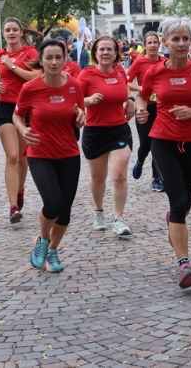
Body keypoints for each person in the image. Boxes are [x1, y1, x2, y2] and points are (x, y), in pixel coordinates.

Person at [136, 17, 191, 288]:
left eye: (185, 38)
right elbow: (143, 95)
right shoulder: (155, 71)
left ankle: (175, 221)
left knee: (185, 204)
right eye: (175, 39)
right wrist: (141, 109)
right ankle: (184, 265)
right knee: (177, 203)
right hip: (162, 141)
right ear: (164, 42)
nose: (180, 43)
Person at [14, 39, 86, 272]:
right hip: (40, 153)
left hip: (68, 153)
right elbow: (17, 115)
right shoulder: (31, 88)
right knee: (52, 203)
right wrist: (23, 129)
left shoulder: (75, 85)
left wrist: (80, 118)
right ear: (41, 61)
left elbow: (77, 115)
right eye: (49, 58)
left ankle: (53, 250)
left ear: (66, 59)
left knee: (65, 209)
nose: (54, 62)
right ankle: (43, 240)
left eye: (58, 57)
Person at [78, 36, 135, 236]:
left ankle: (119, 219)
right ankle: (99, 211)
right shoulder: (86, 75)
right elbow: (74, 100)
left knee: (119, 175)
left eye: (109, 49)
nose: (105, 53)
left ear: (115, 53)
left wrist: (129, 100)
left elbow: (124, 88)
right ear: (95, 53)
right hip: (94, 131)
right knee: (98, 177)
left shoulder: (120, 71)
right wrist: (89, 100)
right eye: (101, 49)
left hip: (119, 129)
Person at [0, 17, 40, 223]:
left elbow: (36, 76)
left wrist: (13, 66)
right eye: (7, 30)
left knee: (23, 157)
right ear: (3, 33)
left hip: (25, 108)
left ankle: (20, 189)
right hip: (4, 107)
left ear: (20, 32)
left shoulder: (30, 53)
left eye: (14, 30)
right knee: (12, 156)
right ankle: (13, 207)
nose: (10, 33)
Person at [126, 31, 167, 192]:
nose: (152, 45)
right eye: (149, 43)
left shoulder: (165, 61)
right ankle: (140, 161)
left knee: (158, 141)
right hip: (144, 107)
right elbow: (126, 81)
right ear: (145, 45)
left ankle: (156, 178)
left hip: (161, 107)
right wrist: (141, 88)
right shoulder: (139, 62)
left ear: (159, 44)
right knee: (146, 143)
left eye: (155, 42)